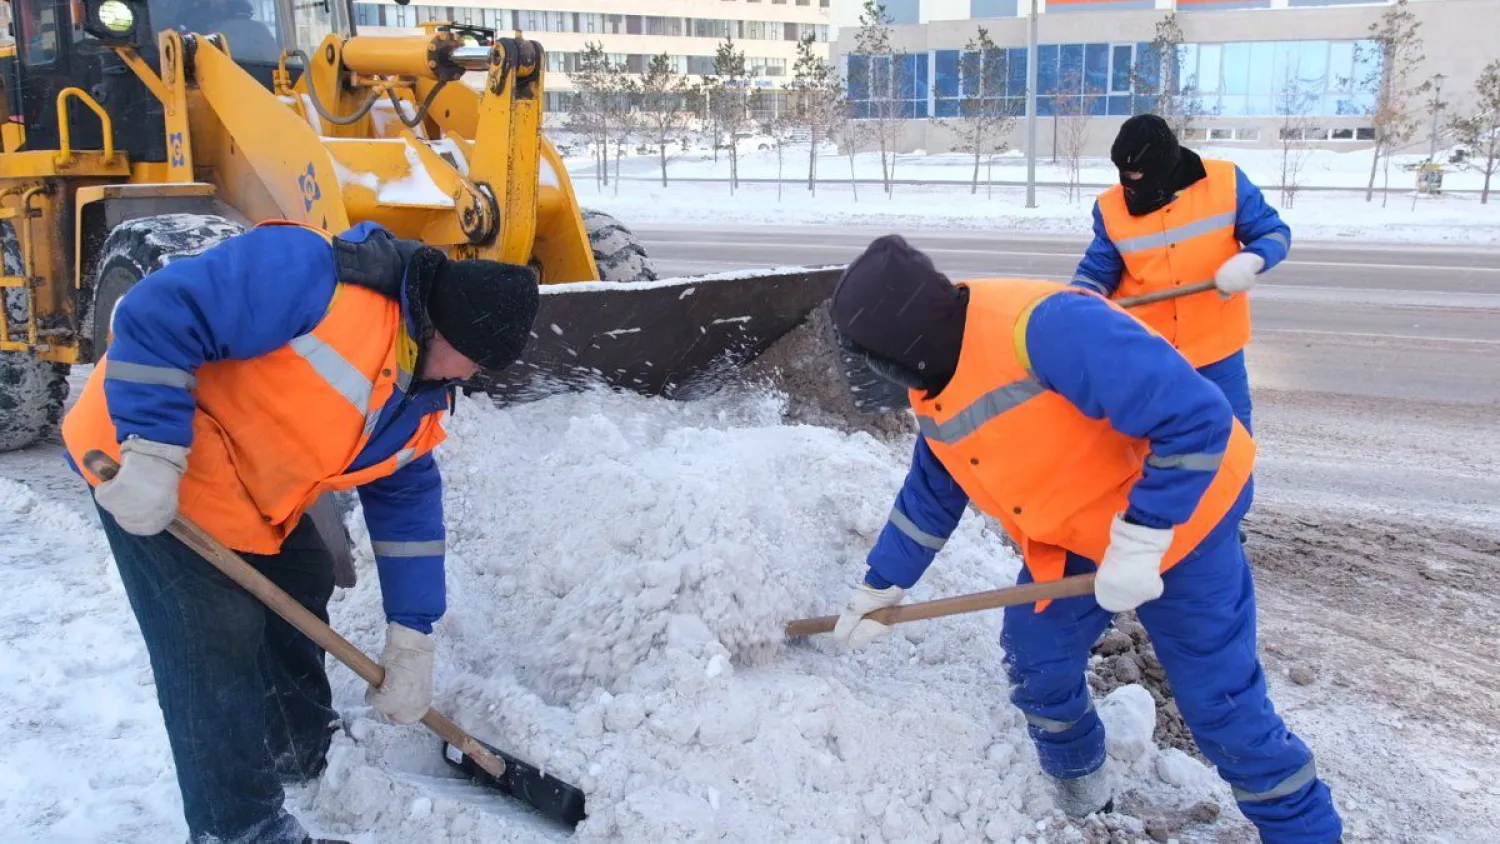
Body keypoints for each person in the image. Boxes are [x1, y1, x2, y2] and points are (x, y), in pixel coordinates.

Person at [827, 235, 1342, 843]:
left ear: (903, 346)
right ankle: (1085, 800)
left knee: (1222, 710)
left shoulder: (1046, 328)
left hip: (1185, 520)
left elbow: (1195, 417)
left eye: (872, 359)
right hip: (1076, 536)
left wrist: (1144, 539)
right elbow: (931, 494)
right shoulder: (933, 381)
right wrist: (881, 585)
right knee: (1036, 662)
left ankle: (1307, 833)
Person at [60, 220, 540, 844]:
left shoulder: (418, 394)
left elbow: (408, 513)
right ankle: (241, 828)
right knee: (214, 637)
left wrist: (412, 636)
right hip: (145, 467)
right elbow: (157, 308)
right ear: (442, 329)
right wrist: (151, 446)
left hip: (247, 492)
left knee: (305, 574)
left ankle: (296, 744)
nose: (470, 377)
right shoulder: (314, 276)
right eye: (473, 360)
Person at [1071, 113, 1291, 435]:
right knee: (1148, 450)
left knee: (1229, 444)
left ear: (1165, 167)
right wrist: (1078, 301)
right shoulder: (1110, 207)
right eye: (1125, 177)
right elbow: (1097, 270)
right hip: (1147, 354)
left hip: (1217, 354)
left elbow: (1273, 232)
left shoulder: (1225, 182)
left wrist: (1252, 260)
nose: (1130, 188)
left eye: (1140, 177)